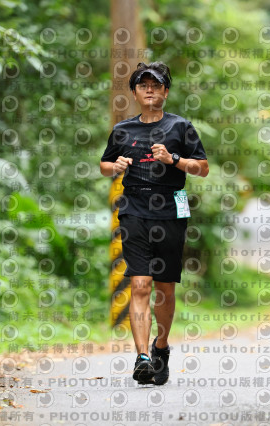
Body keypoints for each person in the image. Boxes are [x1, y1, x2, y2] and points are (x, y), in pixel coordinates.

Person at [100, 62, 209, 385]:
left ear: (166, 92)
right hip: (134, 209)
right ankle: (142, 358)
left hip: (170, 212)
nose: (149, 90)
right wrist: (115, 166)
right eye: (143, 85)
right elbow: (104, 164)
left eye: (156, 85)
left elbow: (202, 168)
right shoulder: (123, 130)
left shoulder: (181, 127)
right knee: (140, 284)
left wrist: (173, 159)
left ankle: (160, 346)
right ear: (134, 93)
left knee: (164, 287)